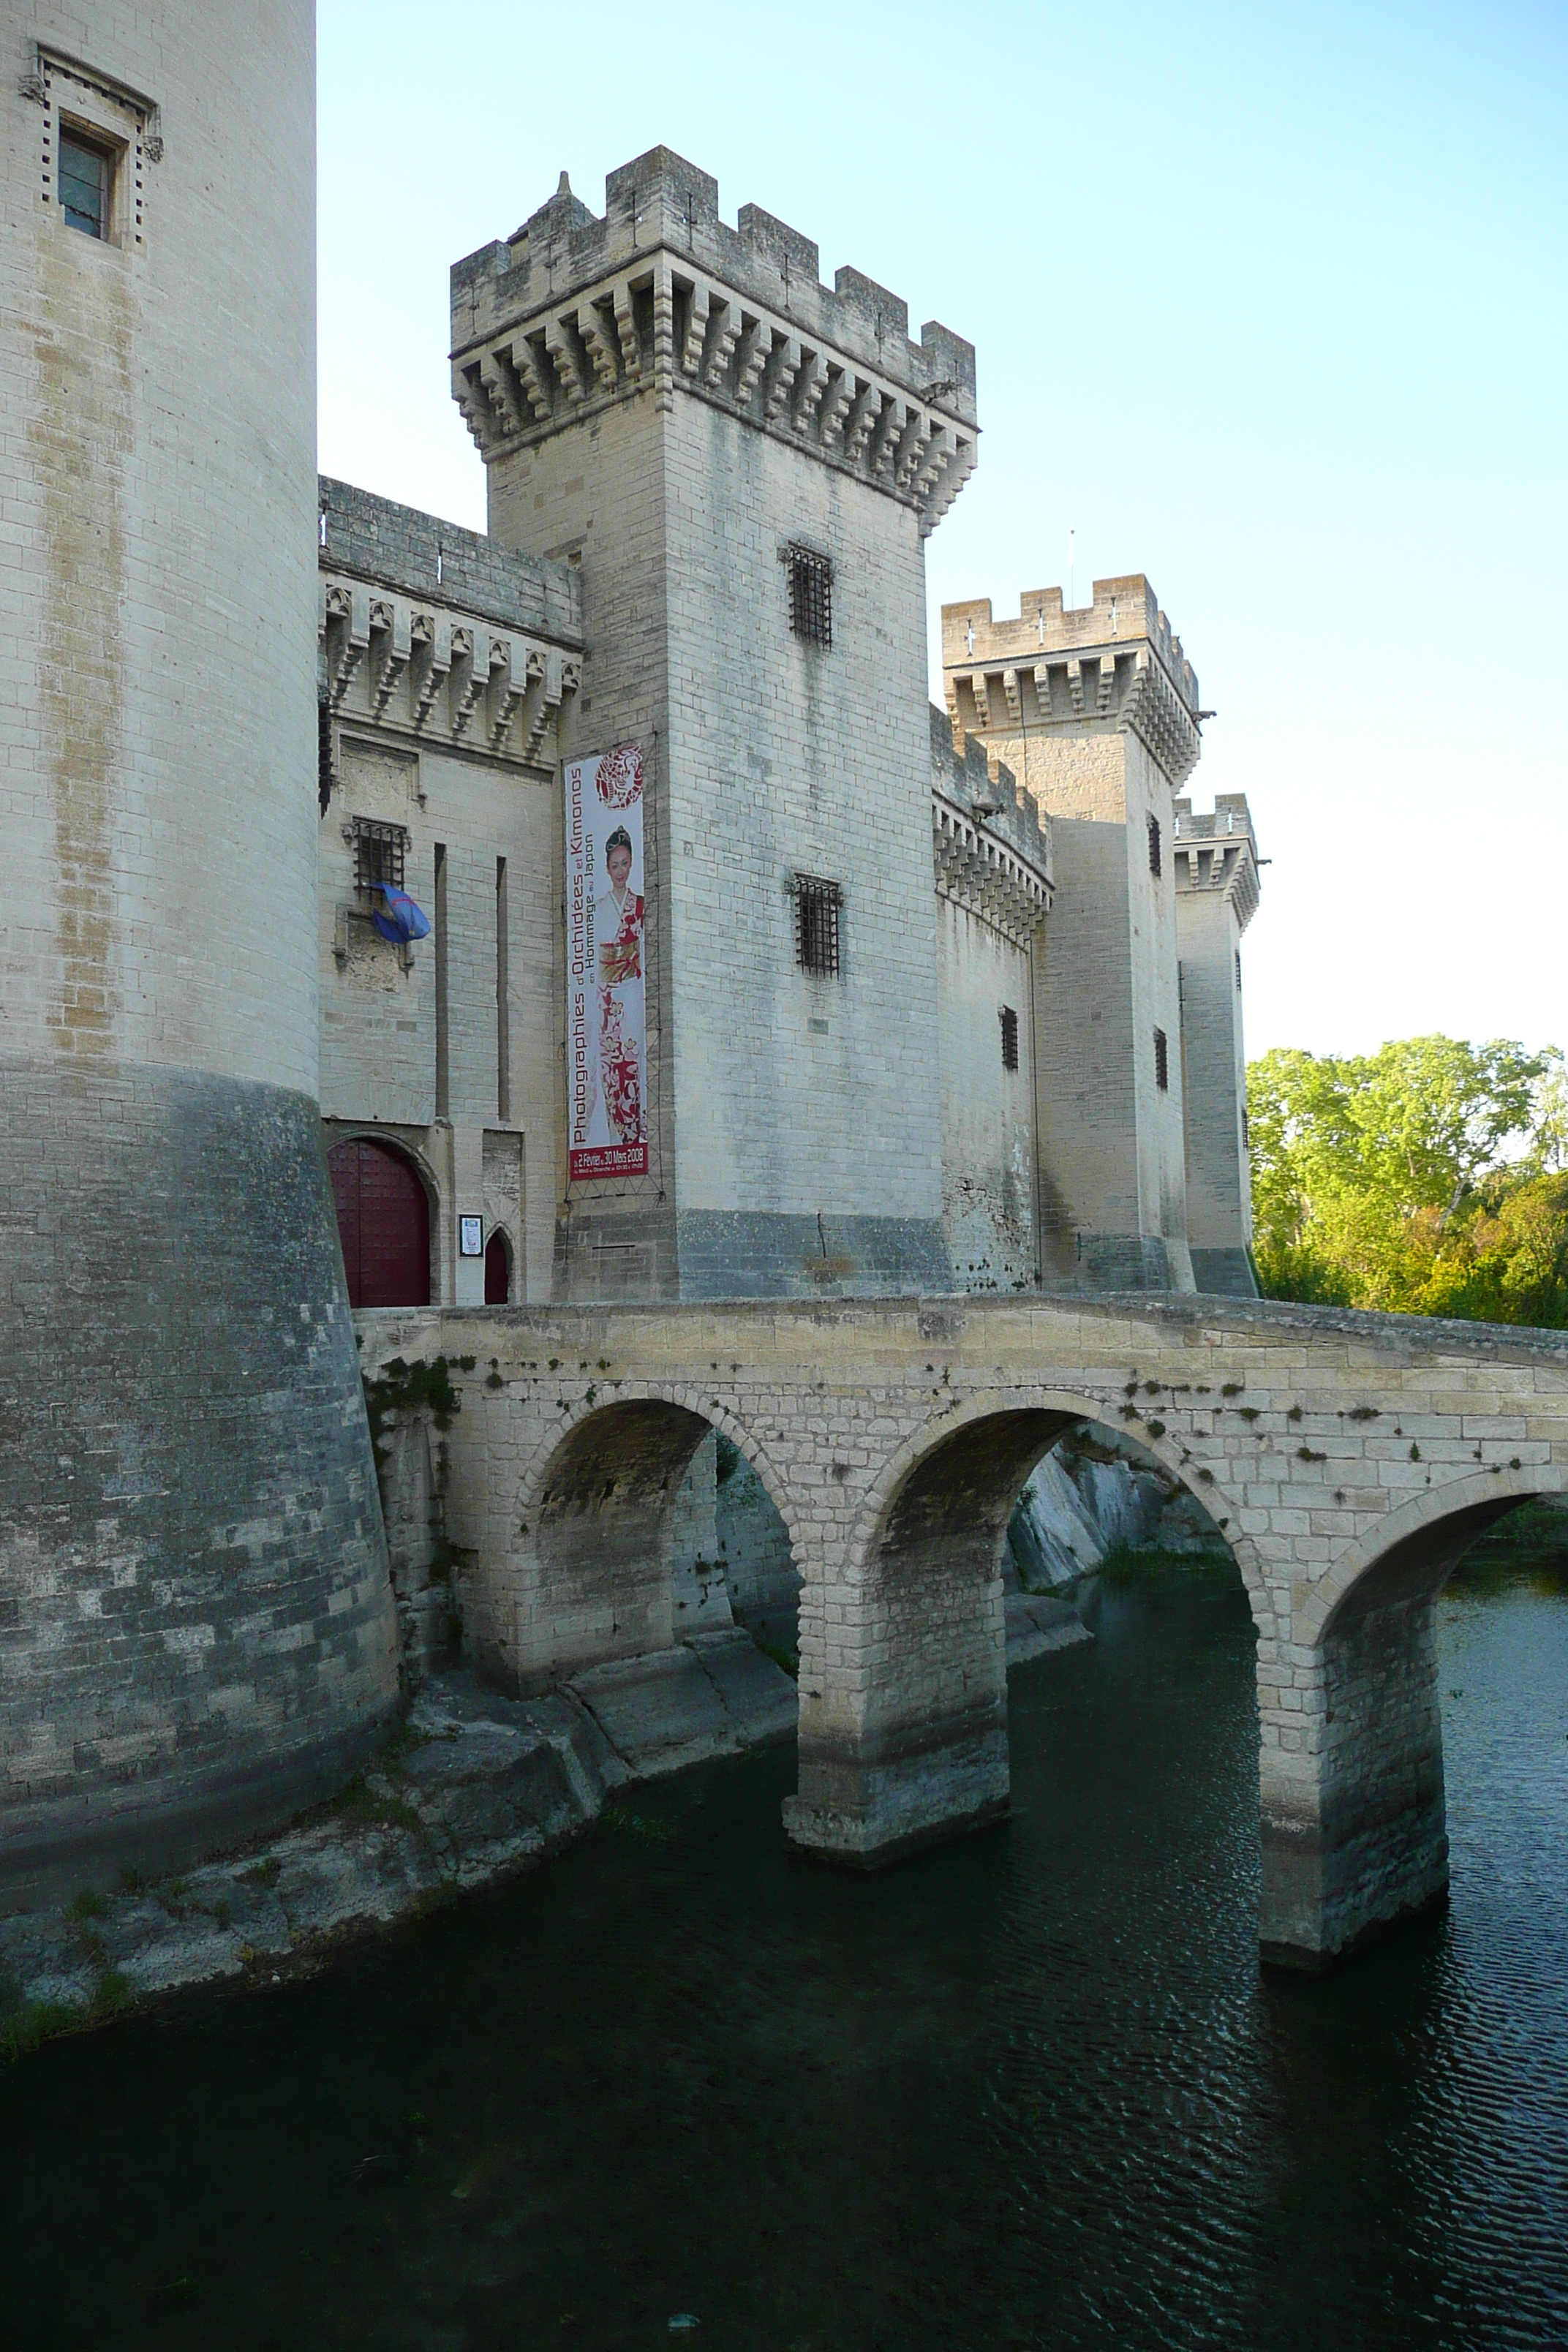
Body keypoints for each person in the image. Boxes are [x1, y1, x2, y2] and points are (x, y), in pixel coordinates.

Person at [590, 827, 644, 1144]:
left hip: (632, 992)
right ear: (607, 868)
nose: (620, 871)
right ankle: (616, 1135)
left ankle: (636, 1134)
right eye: (615, 865)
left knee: (633, 1065)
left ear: (632, 863)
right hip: (607, 998)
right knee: (612, 1068)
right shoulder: (598, 908)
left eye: (625, 863)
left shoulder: (640, 905)